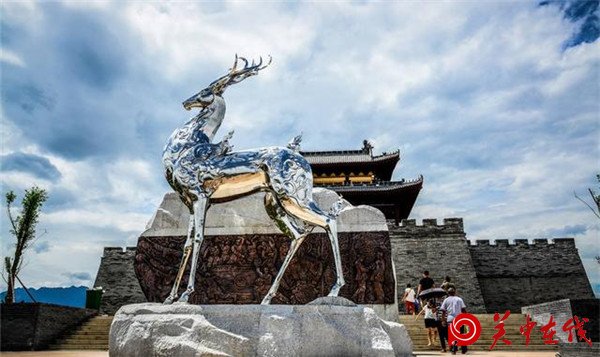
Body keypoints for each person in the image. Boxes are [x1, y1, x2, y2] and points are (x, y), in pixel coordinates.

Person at [440, 287, 468, 355]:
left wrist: (443, 320)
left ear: (448, 293)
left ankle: (454, 349)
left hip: (450, 319)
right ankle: (464, 349)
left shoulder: (446, 300)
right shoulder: (459, 299)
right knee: (463, 333)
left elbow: (443, 312)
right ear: (454, 292)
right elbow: (463, 310)